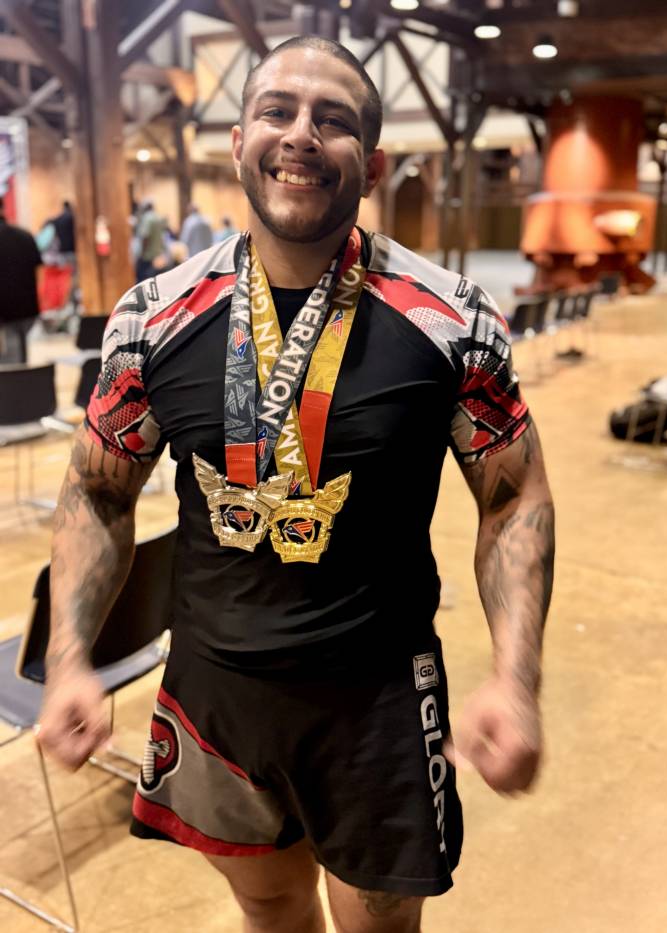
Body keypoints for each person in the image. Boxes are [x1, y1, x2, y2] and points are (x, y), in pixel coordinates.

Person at [38, 36, 554, 933]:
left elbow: (514, 500)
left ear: (374, 164)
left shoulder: (452, 319)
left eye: (334, 120)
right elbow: (98, 492)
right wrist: (68, 659)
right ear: (239, 141)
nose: (301, 134)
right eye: (277, 111)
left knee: (378, 925)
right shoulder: (151, 319)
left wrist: (517, 678)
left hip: (377, 703)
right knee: (271, 908)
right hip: (216, 694)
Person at [0, 197, 42, 363]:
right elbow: (38, 269)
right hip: (27, 309)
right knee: (21, 357)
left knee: (10, 363)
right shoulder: (25, 235)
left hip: (4, 313)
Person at [135, 200, 168, 282]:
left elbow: (145, 236)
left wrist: (142, 253)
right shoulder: (158, 217)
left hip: (148, 256)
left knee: (144, 280)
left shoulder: (147, 218)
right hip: (158, 255)